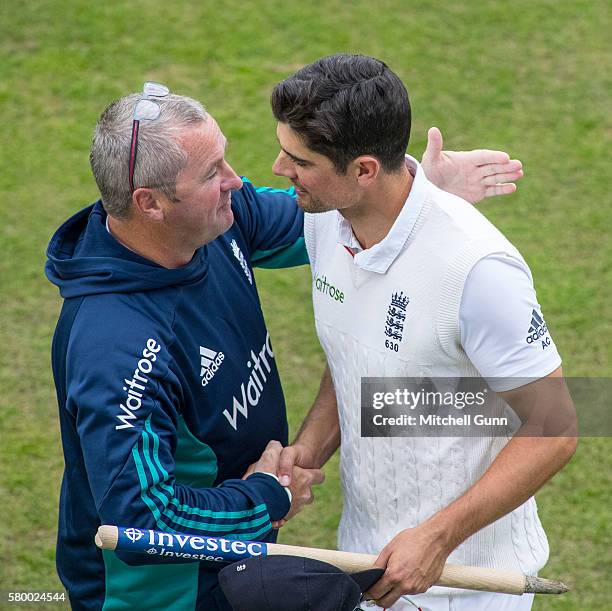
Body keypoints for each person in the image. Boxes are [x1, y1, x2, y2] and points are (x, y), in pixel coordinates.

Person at [46, 81, 525, 610]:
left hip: (236, 563)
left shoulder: (218, 221)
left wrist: (418, 188)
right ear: (151, 203)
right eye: (212, 174)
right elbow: (140, 521)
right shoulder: (116, 348)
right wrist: (266, 498)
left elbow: (337, 208)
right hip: (163, 594)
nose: (237, 181)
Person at [271, 54, 577, 610]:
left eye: (300, 159)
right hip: (367, 567)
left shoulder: (478, 269)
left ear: (363, 170)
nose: (278, 168)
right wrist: (308, 452)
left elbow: (556, 425)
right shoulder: (322, 221)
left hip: (469, 587)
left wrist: (437, 537)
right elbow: (356, 354)